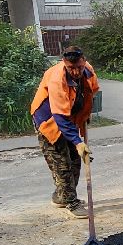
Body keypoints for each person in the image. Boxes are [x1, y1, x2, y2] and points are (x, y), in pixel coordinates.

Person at [31, 45, 99, 217]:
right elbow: (60, 117)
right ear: (64, 63)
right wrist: (78, 142)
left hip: (70, 118)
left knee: (76, 160)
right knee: (62, 163)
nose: (76, 72)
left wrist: (85, 115)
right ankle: (71, 202)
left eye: (79, 67)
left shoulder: (88, 71)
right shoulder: (57, 79)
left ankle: (61, 196)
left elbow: (91, 92)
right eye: (71, 68)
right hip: (49, 121)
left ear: (84, 62)